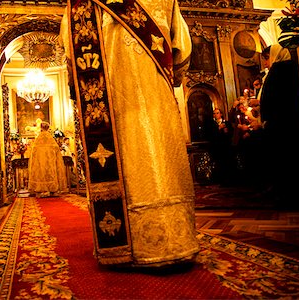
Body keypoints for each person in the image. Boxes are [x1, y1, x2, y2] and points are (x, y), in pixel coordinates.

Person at [60, 0, 199, 266]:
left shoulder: (80, 6)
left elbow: (71, 62)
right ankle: (179, 241)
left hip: (115, 107)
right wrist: (170, 79)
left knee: (132, 167)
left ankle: (128, 248)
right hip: (158, 102)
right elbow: (182, 51)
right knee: (164, 162)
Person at [259, 44, 299, 209]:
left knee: (283, 160)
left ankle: (285, 195)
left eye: (267, 58)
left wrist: (265, 117)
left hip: (279, 124)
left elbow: (271, 97)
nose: (266, 62)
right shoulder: (293, 68)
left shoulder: (278, 71)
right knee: (294, 159)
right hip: (293, 122)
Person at [28, 122, 67, 198]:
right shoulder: (51, 139)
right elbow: (57, 152)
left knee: (41, 173)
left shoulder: (38, 139)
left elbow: (34, 152)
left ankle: (40, 190)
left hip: (40, 162)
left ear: (41, 128)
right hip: (50, 162)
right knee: (51, 173)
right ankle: (53, 190)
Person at [209, 108, 234, 185]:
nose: (216, 115)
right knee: (219, 164)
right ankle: (221, 181)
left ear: (221, 114)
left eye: (217, 113)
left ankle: (229, 180)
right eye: (214, 113)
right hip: (217, 148)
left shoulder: (226, 123)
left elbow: (231, 134)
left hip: (226, 147)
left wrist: (227, 132)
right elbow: (210, 135)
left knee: (228, 164)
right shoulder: (211, 124)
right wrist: (219, 128)